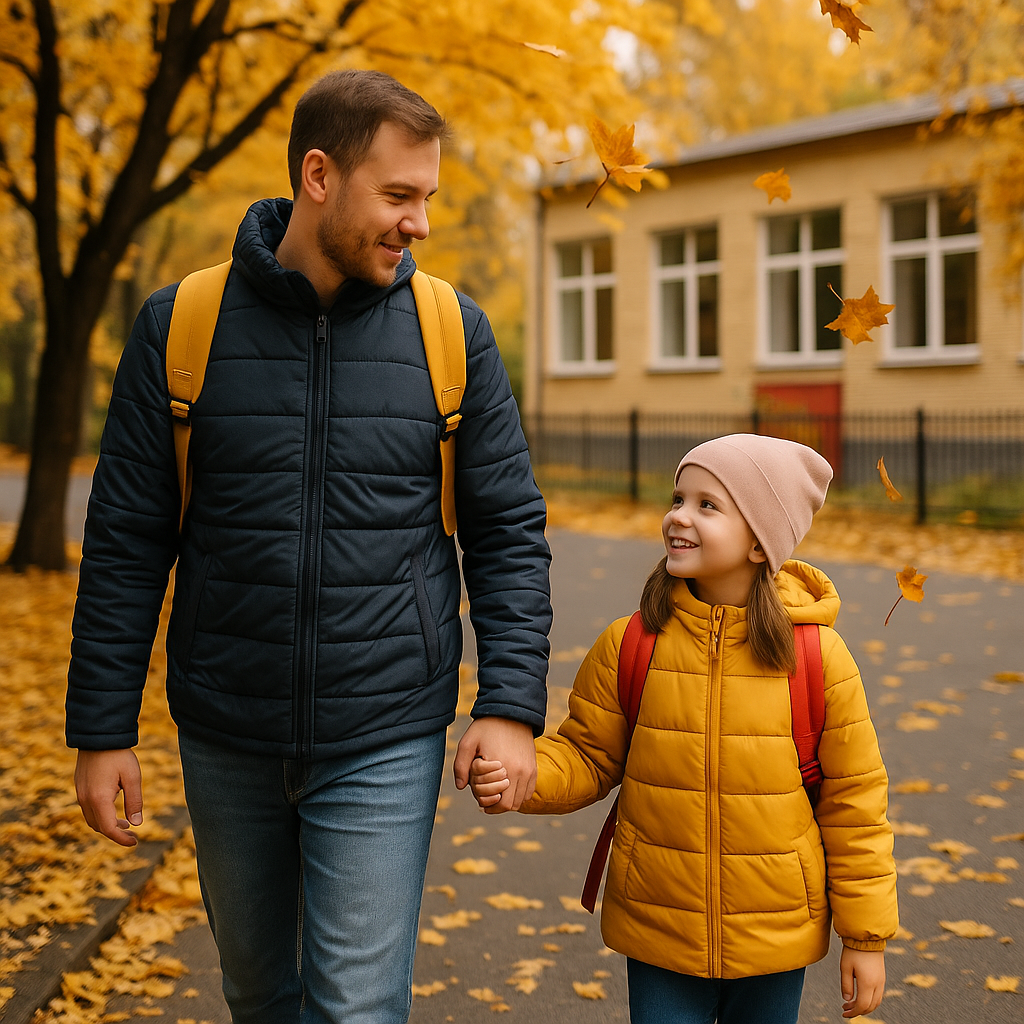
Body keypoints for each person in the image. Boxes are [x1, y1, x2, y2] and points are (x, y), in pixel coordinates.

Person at [67, 69, 551, 1024]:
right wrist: (102, 728)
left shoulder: (452, 333)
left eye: (429, 198)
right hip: (225, 728)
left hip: (385, 729)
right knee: (259, 995)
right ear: (319, 177)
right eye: (399, 195)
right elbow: (126, 541)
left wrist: (511, 705)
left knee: (357, 1007)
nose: (419, 223)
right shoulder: (181, 328)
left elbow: (506, 531)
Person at [470, 434, 898, 1024]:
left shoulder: (818, 658)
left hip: (776, 932)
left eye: (707, 505)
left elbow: (855, 804)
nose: (678, 516)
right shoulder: (633, 643)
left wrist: (866, 938)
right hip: (658, 921)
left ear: (759, 541)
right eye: (678, 498)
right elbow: (588, 756)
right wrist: (524, 774)